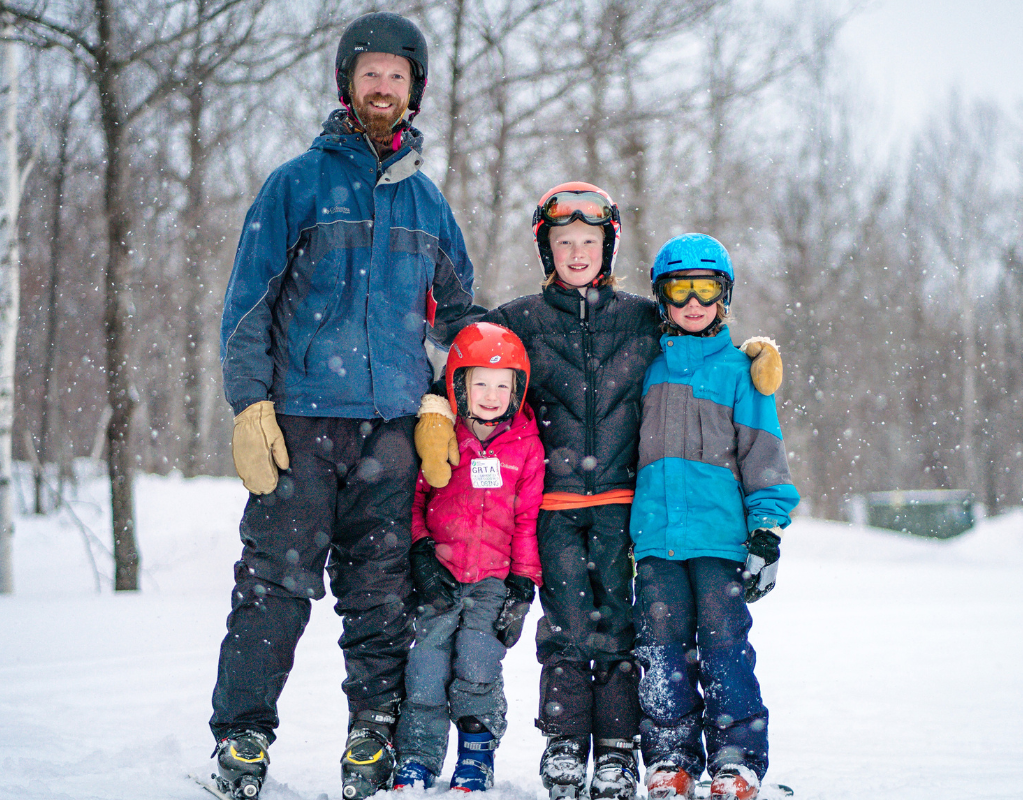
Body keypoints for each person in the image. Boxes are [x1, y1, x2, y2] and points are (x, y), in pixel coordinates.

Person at [412, 184, 784, 799]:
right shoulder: (519, 321)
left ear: (607, 246)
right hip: (551, 505)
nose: (577, 252)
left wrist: (753, 352)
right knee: (562, 628)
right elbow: (463, 355)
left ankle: (616, 749)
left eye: (588, 240)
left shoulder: (640, 318)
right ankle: (563, 742)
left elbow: (696, 342)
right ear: (547, 249)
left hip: (620, 505)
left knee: (618, 627)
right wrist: (433, 408)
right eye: (564, 242)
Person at [209, 11, 481, 800]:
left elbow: (460, 322)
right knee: (274, 587)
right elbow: (248, 303)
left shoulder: (428, 204)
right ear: (346, 83)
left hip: (391, 430)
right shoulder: (297, 184)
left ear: (415, 91)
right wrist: (249, 403)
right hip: (300, 425)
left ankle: (373, 735)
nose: (382, 86)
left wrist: (443, 399)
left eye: (397, 75)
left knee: (381, 594)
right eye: (370, 73)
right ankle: (244, 736)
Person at [629, 233, 800, 800]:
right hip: (654, 542)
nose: (694, 302)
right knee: (659, 650)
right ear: (662, 297)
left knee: (726, 648)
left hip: (721, 544)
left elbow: (763, 455)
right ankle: (669, 755)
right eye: (681, 290)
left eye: (707, 289)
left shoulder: (741, 372)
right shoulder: (646, 369)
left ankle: (735, 756)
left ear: (724, 297)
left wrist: (766, 533)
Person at [390, 322, 545, 793]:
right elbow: (413, 502)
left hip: (493, 581)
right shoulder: (440, 437)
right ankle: (417, 757)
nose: (492, 395)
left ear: (518, 389)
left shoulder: (527, 446)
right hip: (440, 575)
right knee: (426, 671)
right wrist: (421, 552)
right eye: (480, 383)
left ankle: (476, 757)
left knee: (477, 667)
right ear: (458, 383)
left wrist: (523, 584)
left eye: (503, 385)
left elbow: (526, 521)